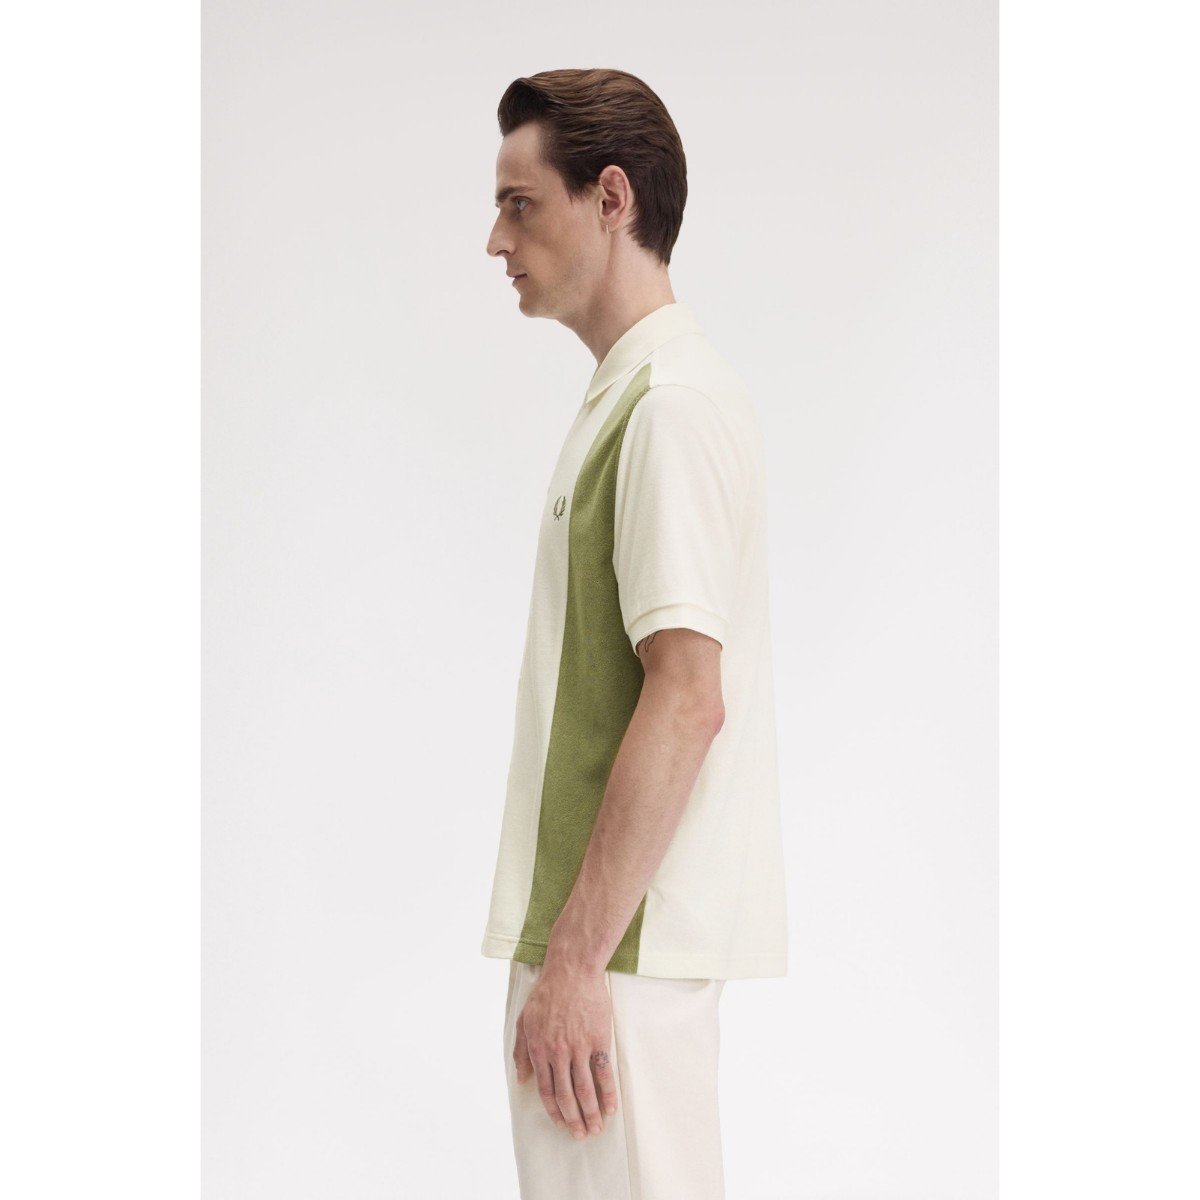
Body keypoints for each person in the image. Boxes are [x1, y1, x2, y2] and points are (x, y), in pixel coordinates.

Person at [481, 67, 789, 1200]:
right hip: (607, 949)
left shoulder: (668, 408)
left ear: (611, 199)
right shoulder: (636, 398)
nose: (496, 240)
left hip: (615, 956)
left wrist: (575, 960)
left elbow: (688, 695)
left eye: (521, 204)